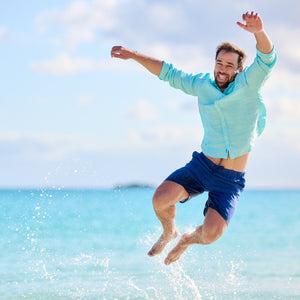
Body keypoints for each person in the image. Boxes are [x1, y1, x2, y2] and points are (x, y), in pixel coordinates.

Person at [111, 11, 277, 265]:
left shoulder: (249, 84)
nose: (222, 69)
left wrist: (259, 32)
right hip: (202, 167)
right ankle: (169, 231)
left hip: (230, 180)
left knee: (211, 235)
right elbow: (170, 73)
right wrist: (134, 55)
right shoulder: (202, 84)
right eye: (219, 63)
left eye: (229, 65)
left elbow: (266, 58)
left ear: (239, 69)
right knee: (160, 200)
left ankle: (186, 240)